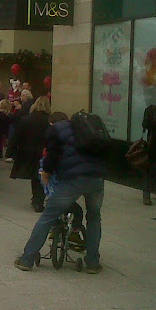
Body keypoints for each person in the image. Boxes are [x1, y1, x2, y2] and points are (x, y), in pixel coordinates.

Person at [14, 111, 107, 274]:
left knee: (49, 216)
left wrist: (46, 173)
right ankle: (93, 263)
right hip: (96, 178)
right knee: (94, 217)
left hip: (73, 179)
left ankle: (27, 259)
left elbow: (52, 156)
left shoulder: (57, 130)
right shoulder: (92, 128)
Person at [10, 95, 51, 212]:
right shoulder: (48, 121)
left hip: (27, 150)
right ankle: (39, 199)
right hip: (43, 151)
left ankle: (36, 199)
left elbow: (17, 136)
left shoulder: (26, 119)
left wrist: (12, 150)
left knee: (34, 175)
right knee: (42, 175)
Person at [142, 98, 156, 206]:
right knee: (149, 170)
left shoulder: (151, 110)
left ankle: (146, 195)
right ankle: (146, 194)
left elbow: (145, 125)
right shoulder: (152, 110)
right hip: (154, 146)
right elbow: (145, 124)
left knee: (148, 170)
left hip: (153, 145)